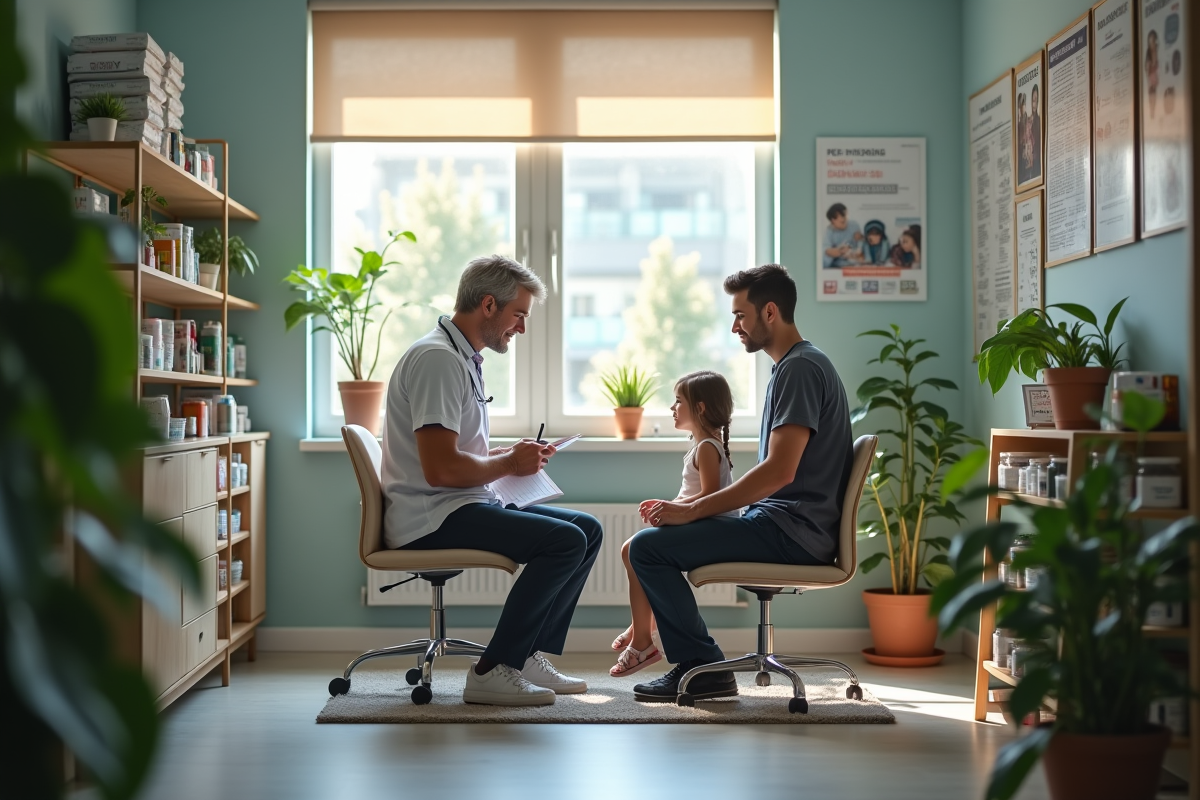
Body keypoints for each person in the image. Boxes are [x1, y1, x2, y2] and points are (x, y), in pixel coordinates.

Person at [381, 254, 603, 707]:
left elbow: (454, 454)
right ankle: (491, 671)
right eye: (518, 314)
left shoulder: (459, 357)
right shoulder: (437, 360)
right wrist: (509, 466)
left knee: (587, 530)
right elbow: (441, 469)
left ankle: (522, 657)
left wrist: (504, 456)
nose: (520, 327)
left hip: (455, 504)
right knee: (564, 543)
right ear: (487, 305)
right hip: (432, 516)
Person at [628, 264, 853, 702]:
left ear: (770, 312)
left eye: (740, 315)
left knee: (646, 548)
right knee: (652, 541)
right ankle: (698, 661)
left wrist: (692, 510)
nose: (735, 327)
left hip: (791, 533)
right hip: (784, 526)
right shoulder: (793, 367)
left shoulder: (799, 370)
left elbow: (779, 471)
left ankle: (701, 665)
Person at [609, 371, 738, 678]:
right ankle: (641, 628)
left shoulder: (707, 447)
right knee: (630, 550)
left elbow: (709, 497)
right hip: (705, 525)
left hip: (713, 529)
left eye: (678, 401)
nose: (672, 408)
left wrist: (673, 510)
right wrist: (667, 507)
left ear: (701, 408)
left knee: (633, 550)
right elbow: (696, 496)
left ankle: (643, 637)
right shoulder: (703, 445)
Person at [822, 203, 863, 268]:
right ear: (833, 220)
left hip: (854, 263)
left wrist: (861, 238)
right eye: (842, 222)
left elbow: (861, 245)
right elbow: (827, 251)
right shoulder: (829, 231)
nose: (846, 223)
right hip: (837, 265)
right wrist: (840, 251)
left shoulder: (854, 225)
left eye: (846, 218)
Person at [1028, 84, 1042, 180]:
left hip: (1037, 164)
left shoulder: (1039, 121)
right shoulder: (1028, 122)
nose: (1034, 104)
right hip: (1029, 165)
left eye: (1036, 101)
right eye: (1033, 101)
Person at [1146, 30, 1159, 119]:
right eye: (1151, 42)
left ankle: (1153, 113)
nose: (1152, 44)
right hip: (1151, 81)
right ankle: (1152, 113)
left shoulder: (1158, 52)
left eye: (1153, 41)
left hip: (1156, 79)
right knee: (1152, 95)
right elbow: (1148, 72)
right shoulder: (1149, 57)